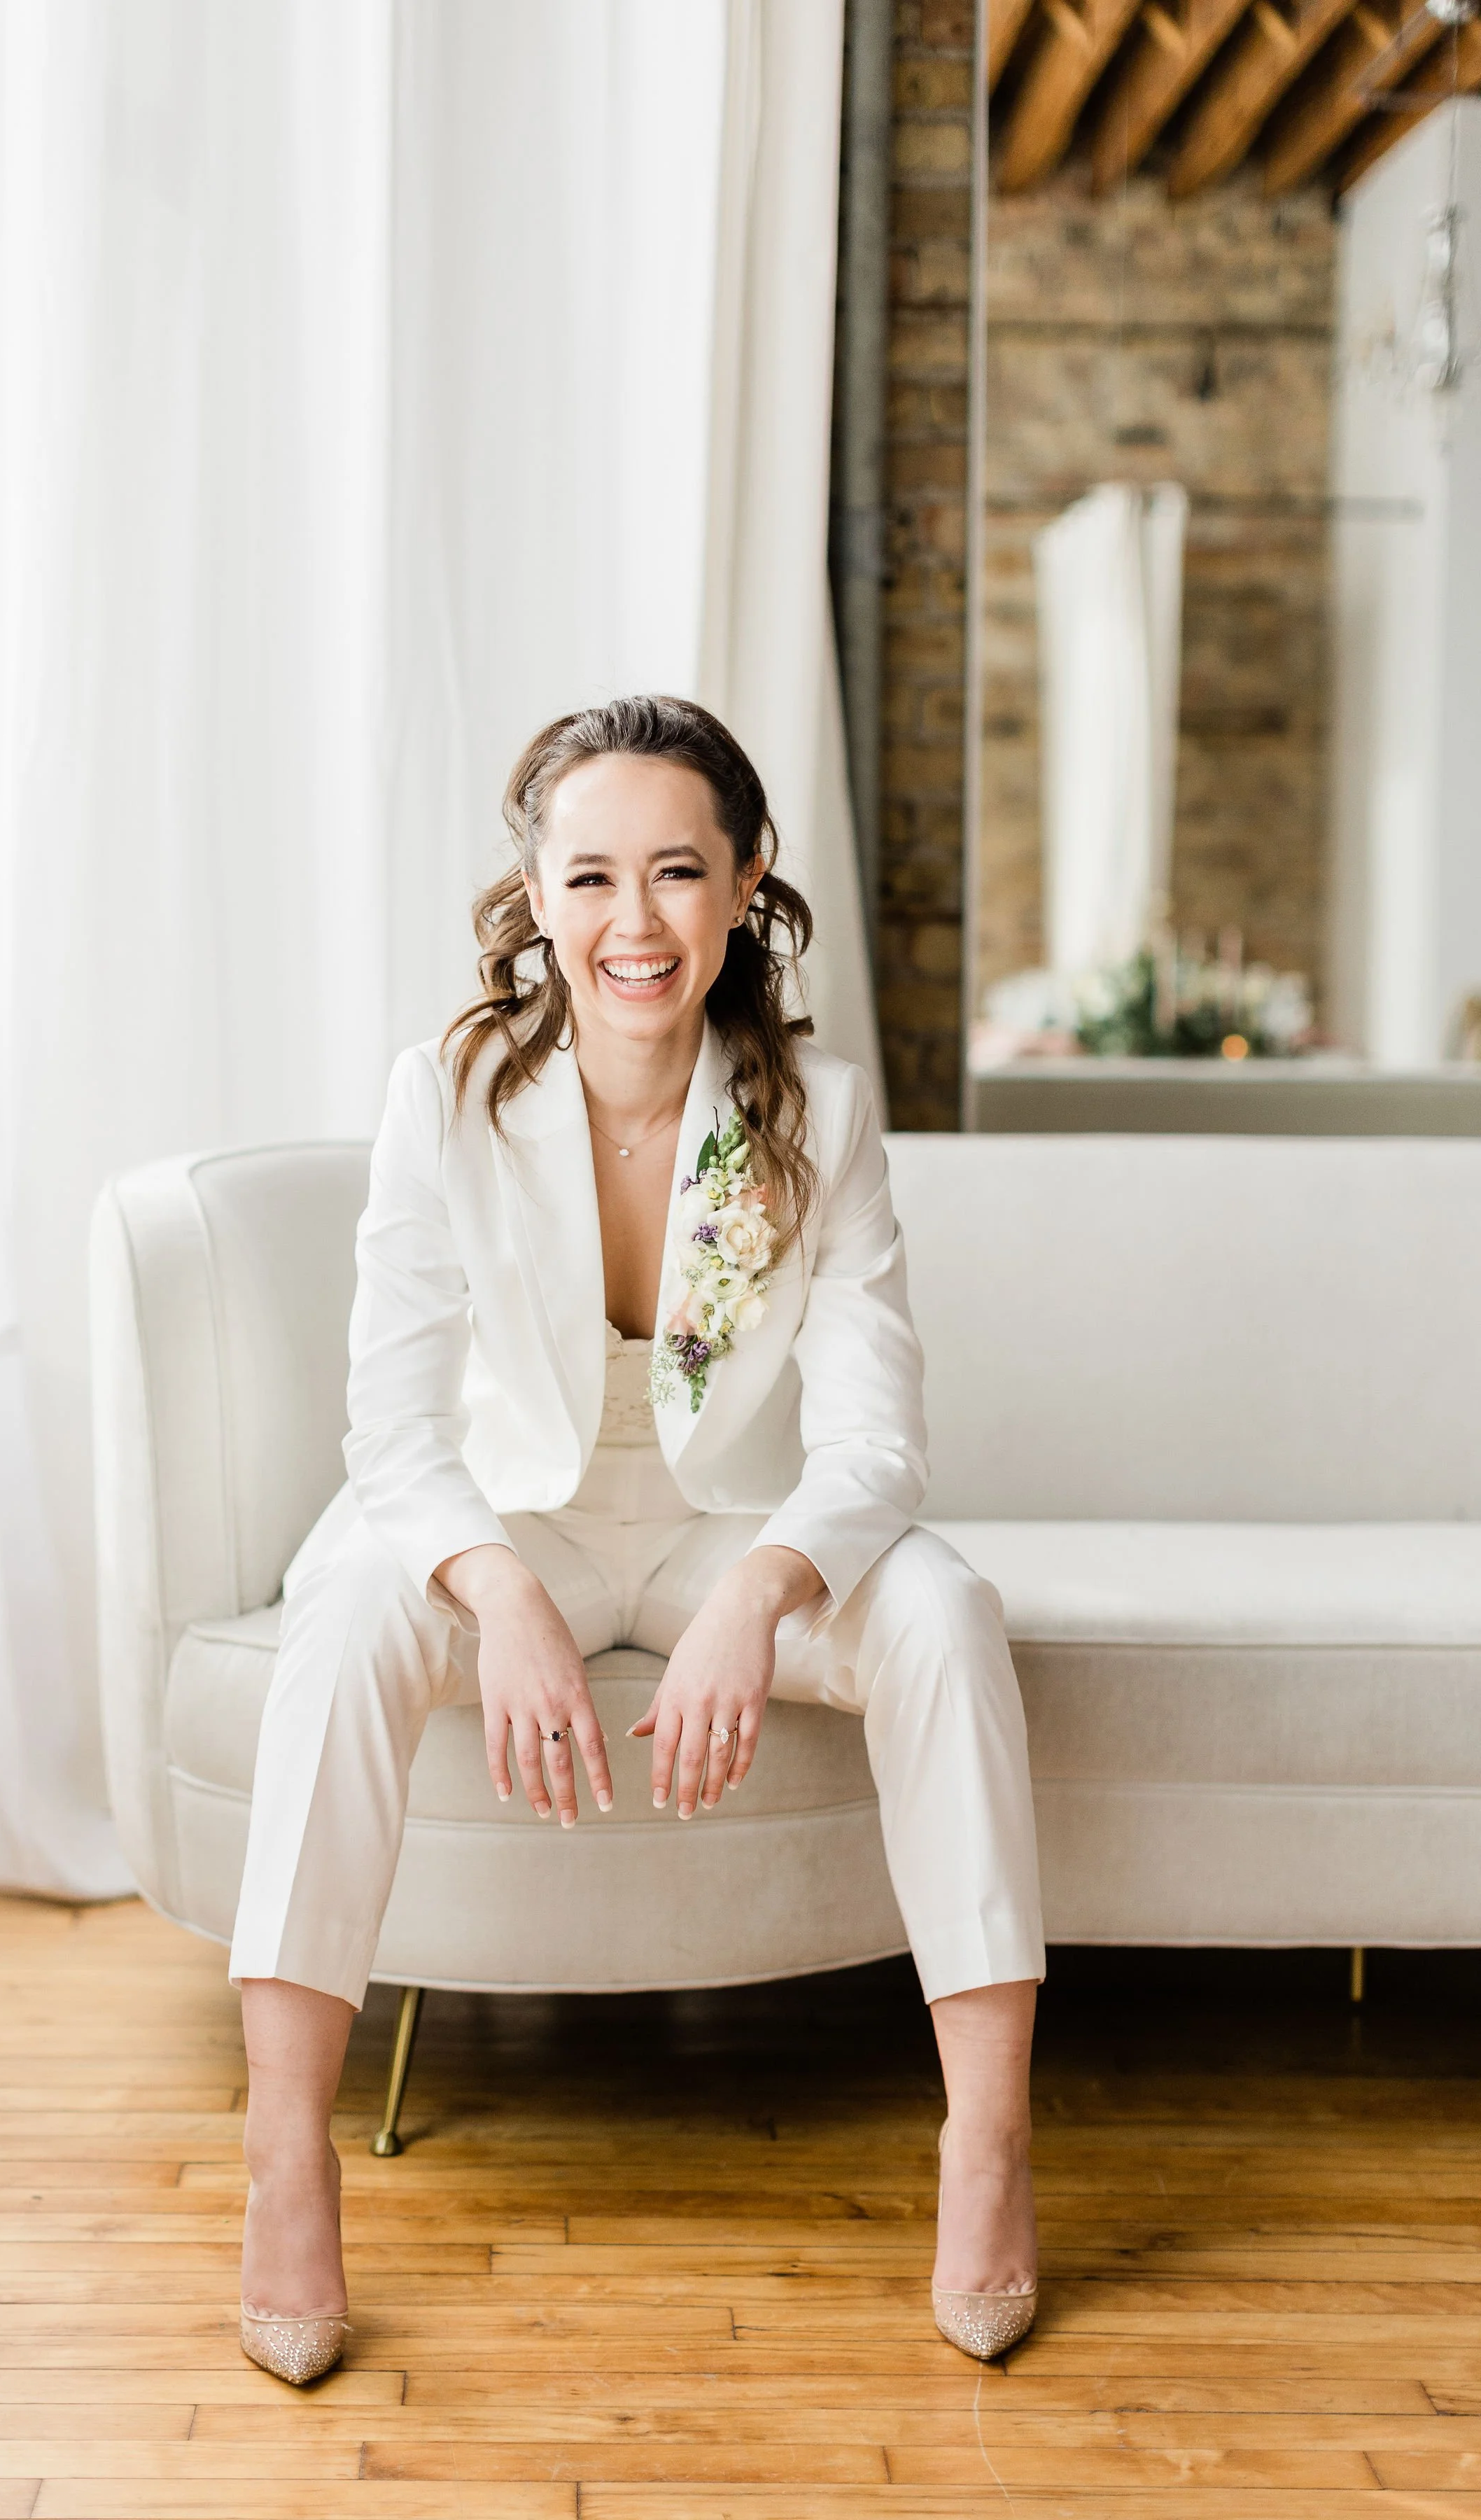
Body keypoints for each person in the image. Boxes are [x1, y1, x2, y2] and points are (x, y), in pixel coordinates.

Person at [229, 694, 1045, 2384]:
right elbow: (388, 1427)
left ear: (746, 883)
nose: (634, 920)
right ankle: (285, 2152)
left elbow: (876, 1437)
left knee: (949, 1617)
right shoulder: (445, 1093)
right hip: (497, 1514)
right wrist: (498, 1585)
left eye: (677, 871)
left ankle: (990, 2144)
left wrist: (767, 1585)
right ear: (534, 895)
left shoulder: (816, 1105)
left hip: (724, 1525)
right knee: (343, 1624)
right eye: (590, 876)